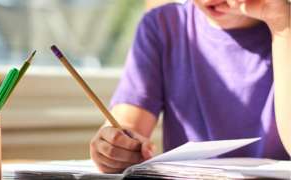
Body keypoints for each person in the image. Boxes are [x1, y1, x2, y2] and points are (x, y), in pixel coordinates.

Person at [90, 0, 291, 173]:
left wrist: (281, 21)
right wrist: (115, 146)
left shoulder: (285, 25)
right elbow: (128, 126)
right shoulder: (163, 27)